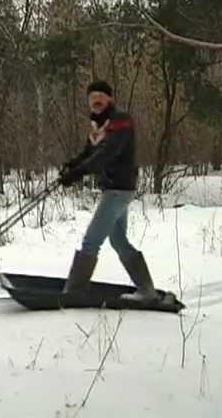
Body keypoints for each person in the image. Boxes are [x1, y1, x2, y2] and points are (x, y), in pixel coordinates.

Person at [59, 80, 159, 302]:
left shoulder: (120, 121)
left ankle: (73, 293)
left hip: (118, 189)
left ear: (110, 99)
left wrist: (79, 173)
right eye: (92, 97)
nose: (96, 101)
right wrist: (72, 165)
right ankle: (147, 290)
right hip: (115, 189)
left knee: (91, 241)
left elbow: (108, 153)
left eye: (100, 97)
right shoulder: (98, 127)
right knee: (118, 241)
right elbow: (89, 153)